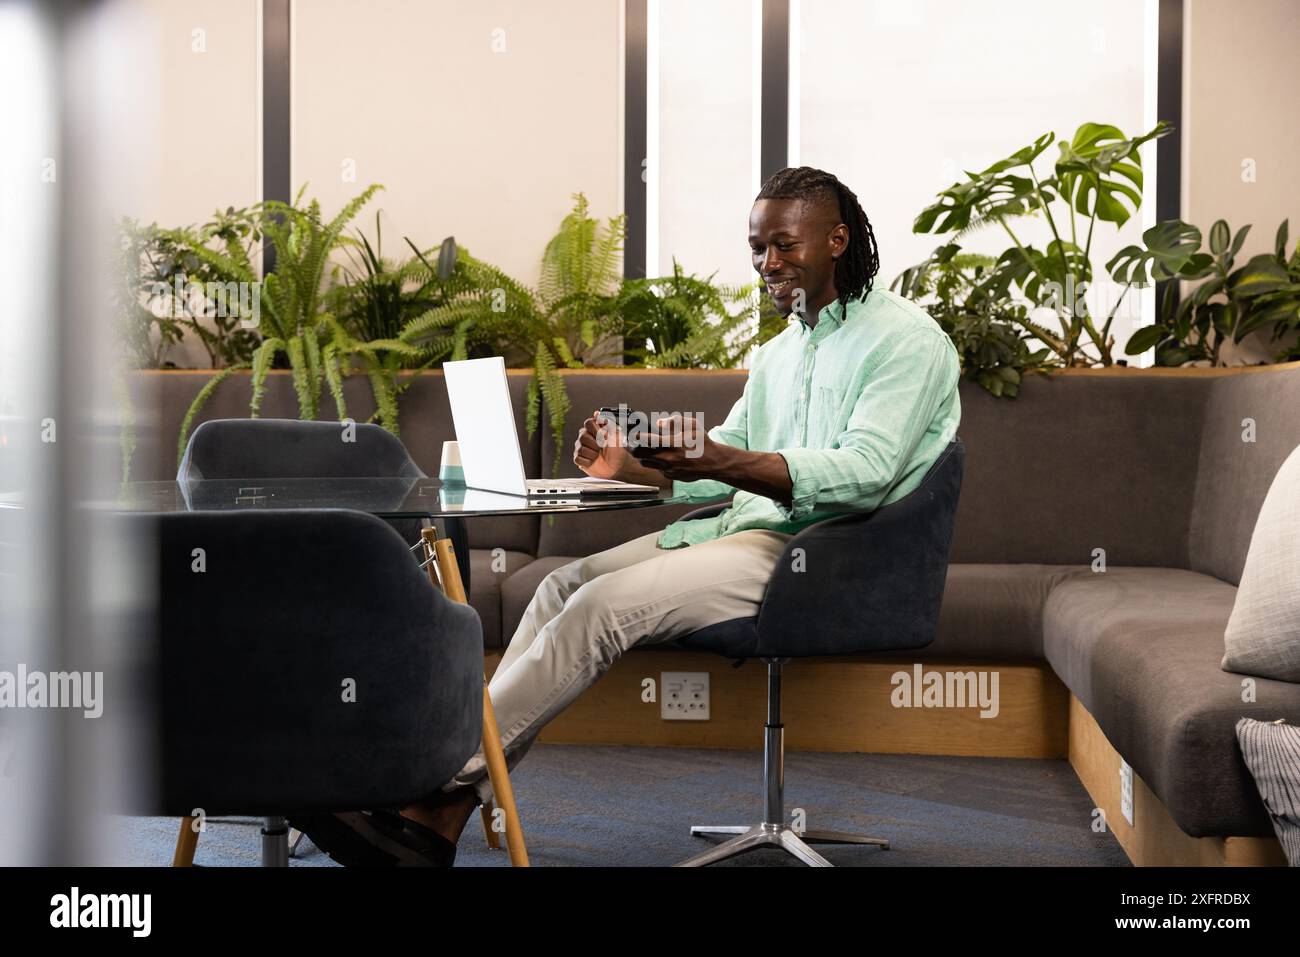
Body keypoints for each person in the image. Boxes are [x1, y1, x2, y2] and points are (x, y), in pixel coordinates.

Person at [291, 166, 962, 866]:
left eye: (784, 245)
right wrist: (632, 468)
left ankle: (416, 777)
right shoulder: (781, 352)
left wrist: (717, 462)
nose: (768, 263)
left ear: (837, 239)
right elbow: (725, 454)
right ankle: (436, 825)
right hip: (747, 533)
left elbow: (866, 472)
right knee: (558, 586)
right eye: (757, 247)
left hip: (821, 556)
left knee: (601, 605)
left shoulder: (904, 341)